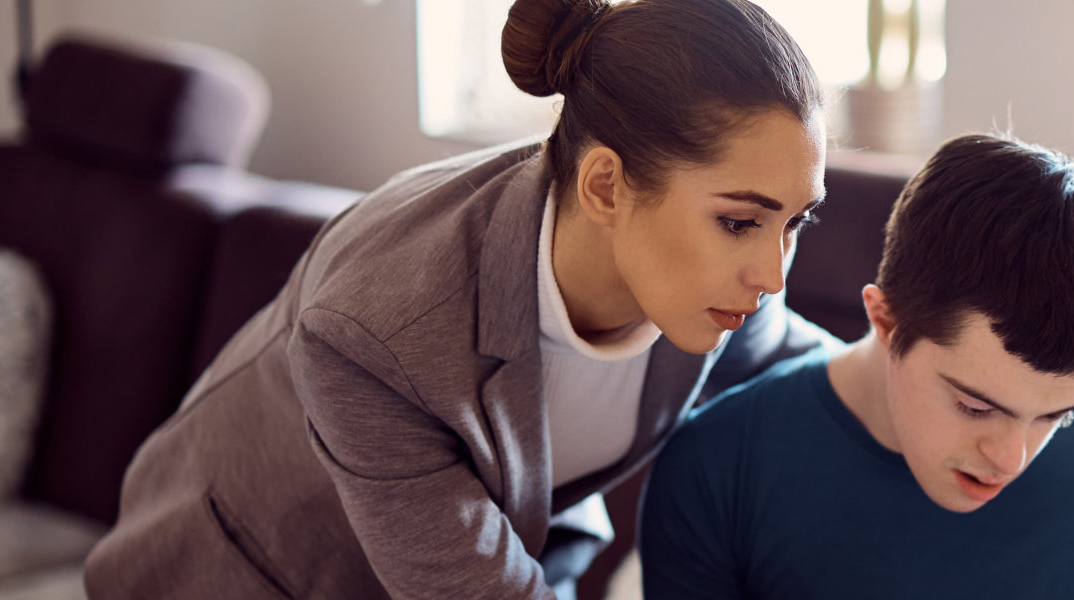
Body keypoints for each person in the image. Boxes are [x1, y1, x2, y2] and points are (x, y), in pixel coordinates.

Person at [83, 0, 833, 598]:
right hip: (239, 572)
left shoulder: (718, 291)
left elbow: (821, 370)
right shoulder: (375, 329)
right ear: (605, 185)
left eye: (795, 222)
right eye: (739, 222)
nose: (772, 273)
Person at [639, 134, 1074, 599]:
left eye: (1056, 417)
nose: (1011, 458)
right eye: (976, 406)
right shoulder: (717, 471)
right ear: (885, 321)